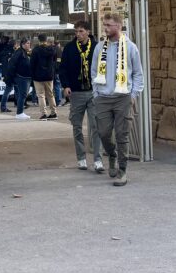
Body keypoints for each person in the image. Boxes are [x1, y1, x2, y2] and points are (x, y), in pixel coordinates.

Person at [92, 12, 144, 187]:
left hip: (123, 97)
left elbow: (138, 74)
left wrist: (133, 94)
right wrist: (96, 94)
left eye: (108, 25)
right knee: (104, 133)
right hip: (103, 98)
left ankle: (122, 171)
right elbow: (93, 72)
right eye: (104, 25)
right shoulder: (99, 47)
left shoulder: (131, 47)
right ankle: (112, 155)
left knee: (122, 135)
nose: (105, 28)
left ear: (118, 26)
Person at [60, 21, 103, 173]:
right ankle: (81, 158)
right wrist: (66, 85)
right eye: (76, 32)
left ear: (88, 32)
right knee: (77, 126)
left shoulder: (97, 47)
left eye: (81, 31)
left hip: (93, 91)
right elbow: (63, 68)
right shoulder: (70, 48)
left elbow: (102, 67)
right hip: (76, 92)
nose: (78, 34)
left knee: (96, 126)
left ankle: (98, 159)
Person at [31, 34, 59, 120]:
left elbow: (32, 64)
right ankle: (54, 113)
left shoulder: (35, 50)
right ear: (46, 40)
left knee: (41, 95)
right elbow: (54, 62)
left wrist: (32, 74)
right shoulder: (52, 49)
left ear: (38, 40)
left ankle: (44, 114)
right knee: (50, 95)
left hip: (38, 76)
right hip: (49, 75)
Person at [9, 37, 33, 120]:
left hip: (25, 77)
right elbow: (12, 64)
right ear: (22, 44)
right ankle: (19, 113)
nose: (29, 45)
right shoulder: (19, 52)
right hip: (22, 77)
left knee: (22, 95)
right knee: (22, 95)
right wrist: (13, 75)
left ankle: (20, 112)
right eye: (27, 43)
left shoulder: (24, 52)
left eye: (29, 43)